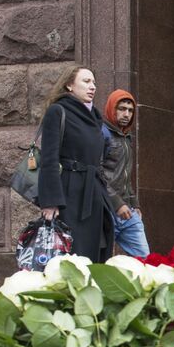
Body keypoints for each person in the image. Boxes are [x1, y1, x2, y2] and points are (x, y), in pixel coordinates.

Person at [37, 66, 109, 262]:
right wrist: (50, 201)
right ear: (69, 85)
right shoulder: (58, 111)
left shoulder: (94, 116)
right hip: (70, 195)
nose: (92, 86)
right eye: (86, 81)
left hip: (93, 194)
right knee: (74, 254)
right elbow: (49, 159)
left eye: (94, 82)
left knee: (96, 252)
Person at [101, 88, 148, 258]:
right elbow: (98, 173)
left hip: (127, 210)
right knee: (99, 264)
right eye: (121, 109)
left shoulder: (126, 137)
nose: (126, 114)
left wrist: (134, 204)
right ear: (112, 108)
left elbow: (126, 176)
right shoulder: (102, 133)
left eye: (130, 110)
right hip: (105, 209)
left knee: (145, 260)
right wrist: (117, 203)